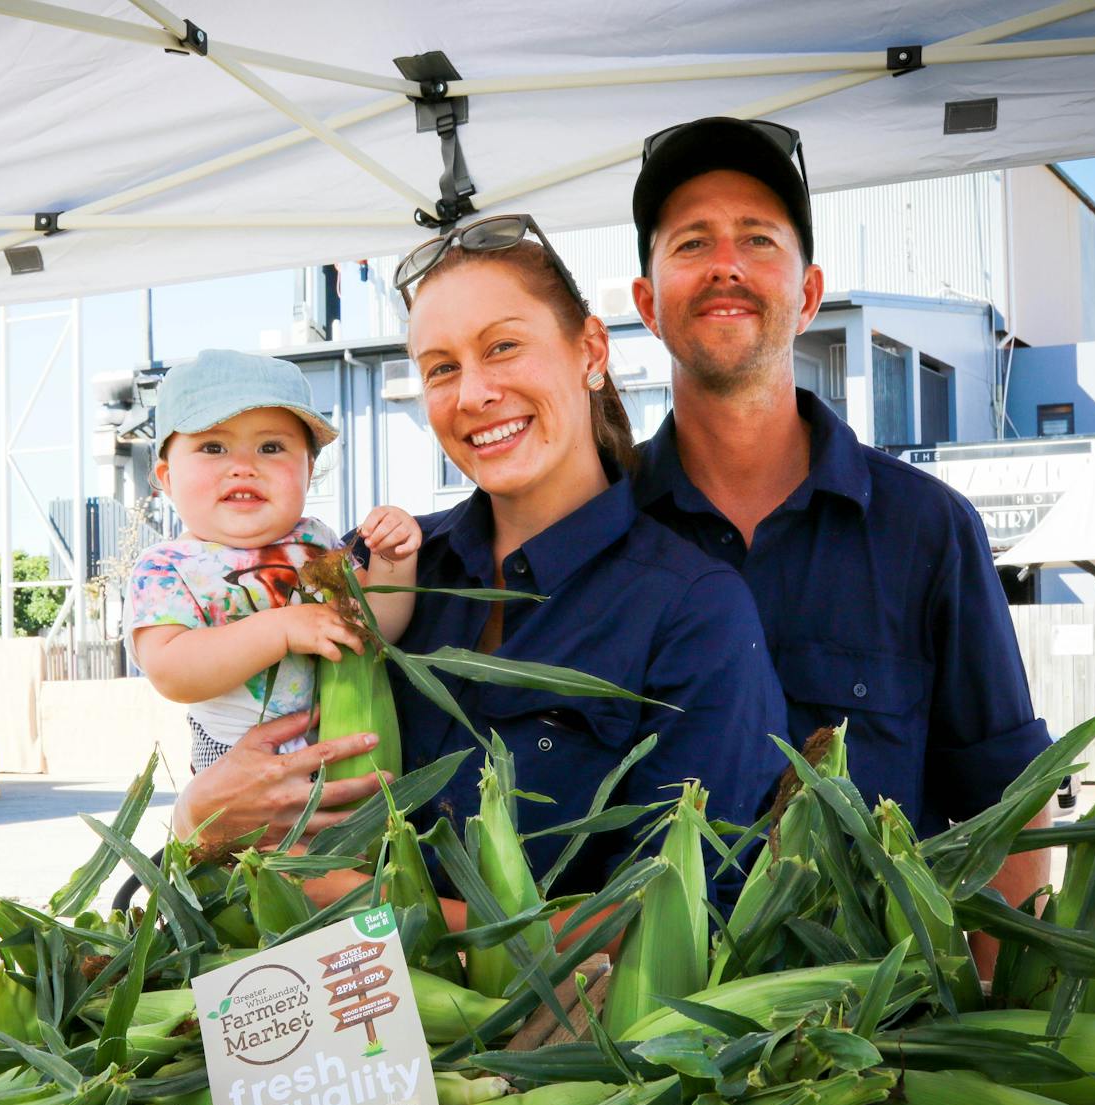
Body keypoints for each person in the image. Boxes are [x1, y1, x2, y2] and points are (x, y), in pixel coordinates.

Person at [177, 217, 789, 932]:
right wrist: (197, 817)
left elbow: (674, 922)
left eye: (503, 347)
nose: (473, 394)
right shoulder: (364, 569)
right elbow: (220, 800)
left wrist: (364, 907)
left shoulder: (691, 611)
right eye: (441, 367)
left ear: (590, 352)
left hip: (548, 1040)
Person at [627, 117, 1053, 964]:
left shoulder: (927, 530)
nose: (726, 265)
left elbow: (1010, 807)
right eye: (691, 242)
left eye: (758, 239)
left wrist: (998, 1021)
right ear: (646, 303)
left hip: (886, 1055)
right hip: (645, 1053)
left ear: (810, 292)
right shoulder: (602, 527)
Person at [128, 349, 421, 773]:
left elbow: (375, 629)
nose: (244, 467)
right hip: (232, 758)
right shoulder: (166, 568)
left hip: (341, 742)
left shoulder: (316, 541)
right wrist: (282, 630)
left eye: (271, 447)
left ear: (308, 470)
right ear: (168, 479)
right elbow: (173, 672)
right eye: (213, 447)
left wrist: (393, 561)